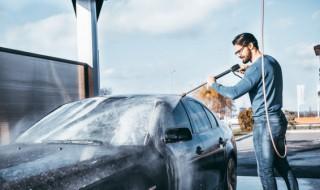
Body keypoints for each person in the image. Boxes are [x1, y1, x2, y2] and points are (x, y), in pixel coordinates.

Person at [207, 33, 299, 190]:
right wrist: (248, 72)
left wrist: (214, 84)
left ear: (250, 46)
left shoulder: (256, 68)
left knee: (265, 170)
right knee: (282, 165)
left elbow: (234, 92)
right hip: (277, 120)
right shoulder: (271, 62)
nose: (238, 56)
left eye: (239, 51)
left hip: (265, 123)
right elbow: (262, 80)